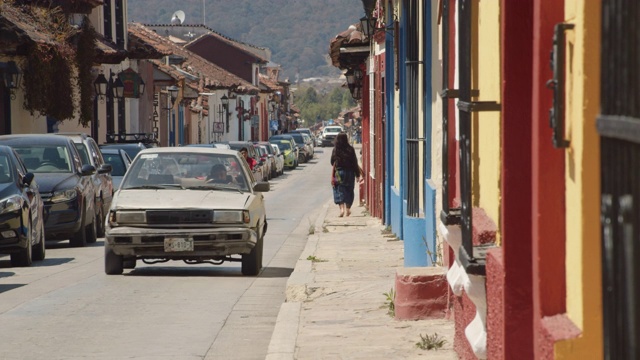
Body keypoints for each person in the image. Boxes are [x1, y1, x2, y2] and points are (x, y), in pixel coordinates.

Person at [330, 132, 362, 217]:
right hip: (350, 173)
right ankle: (348, 209)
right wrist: (357, 175)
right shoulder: (350, 149)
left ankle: (342, 209)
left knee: (339, 190)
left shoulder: (336, 149)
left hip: (339, 174)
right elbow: (355, 162)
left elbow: (332, 162)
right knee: (349, 190)